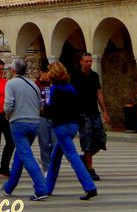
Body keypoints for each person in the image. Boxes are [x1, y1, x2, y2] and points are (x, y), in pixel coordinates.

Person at [43, 61, 96, 201]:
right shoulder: (70, 88)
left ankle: (89, 187)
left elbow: (52, 108)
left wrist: (42, 110)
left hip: (61, 126)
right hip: (73, 125)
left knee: (72, 156)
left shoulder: (54, 88)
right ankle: (47, 187)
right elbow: (79, 105)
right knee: (55, 157)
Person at [2, 58, 50, 201]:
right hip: (34, 123)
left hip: (19, 123)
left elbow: (9, 104)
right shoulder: (33, 85)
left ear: (12, 70)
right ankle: (9, 186)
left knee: (26, 155)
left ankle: (41, 188)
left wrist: (8, 115)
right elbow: (40, 104)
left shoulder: (10, 83)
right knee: (21, 154)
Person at [69, 52, 107, 182]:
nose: (89, 63)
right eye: (86, 61)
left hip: (94, 112)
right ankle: (90, 168)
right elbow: (71, 96)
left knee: (101, 139)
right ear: (81, 62)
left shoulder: (94, 76)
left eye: (90, 61)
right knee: (87, 139)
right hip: (81, 113)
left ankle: (84, 158)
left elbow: (98, 92)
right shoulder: (74, 77)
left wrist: (104, 110)